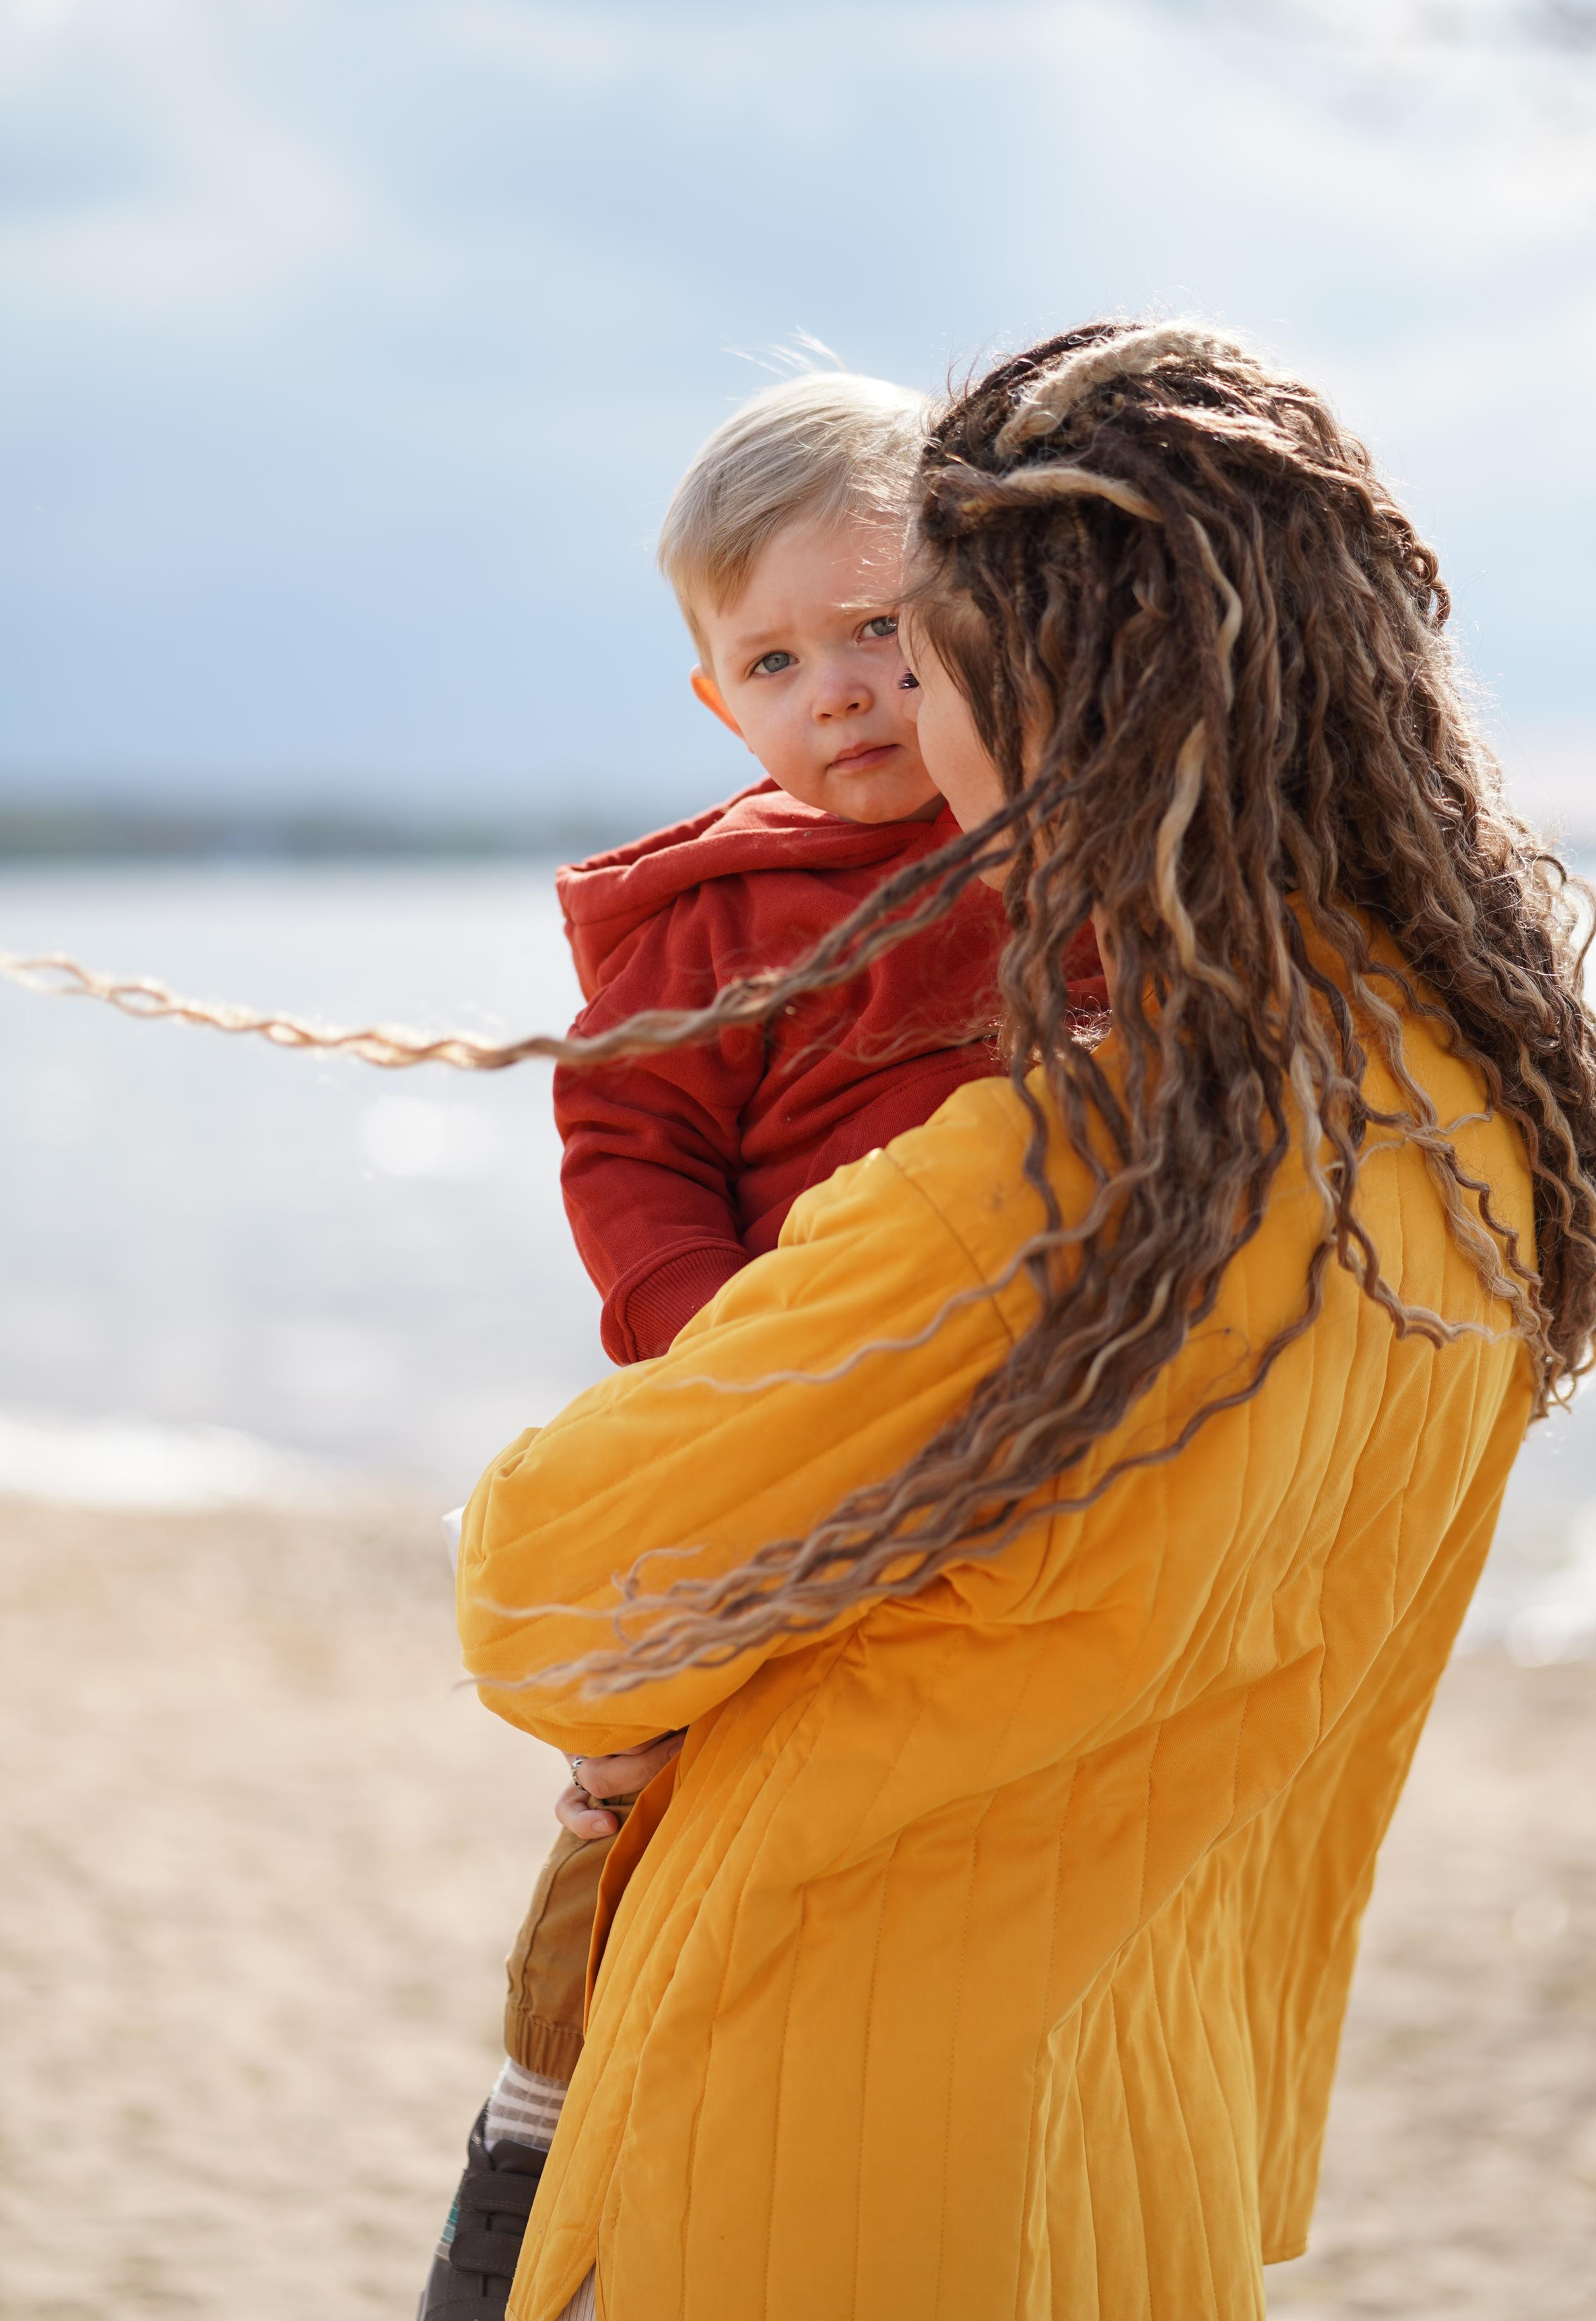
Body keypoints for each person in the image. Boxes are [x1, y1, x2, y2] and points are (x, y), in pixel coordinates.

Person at [457, 320, 1596, 2321]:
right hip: (1131, 2128)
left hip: (821, 2132)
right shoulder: (1474, 1131)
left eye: (935, 655)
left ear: (1054, 695)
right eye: (797, 664)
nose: (894, 714)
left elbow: (552, 1591)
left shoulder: (1077, 1166)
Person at [422, 372, 1102, 2318]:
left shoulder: (1048, 855)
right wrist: (720, 1357)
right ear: (721, 704)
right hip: (757, 1410)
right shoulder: (700, 921)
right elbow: (630, 1162)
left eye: (888, 632)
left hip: (997, 1435)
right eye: (781, 659)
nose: (847, 692)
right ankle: (538, 2144)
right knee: (642, 1783)